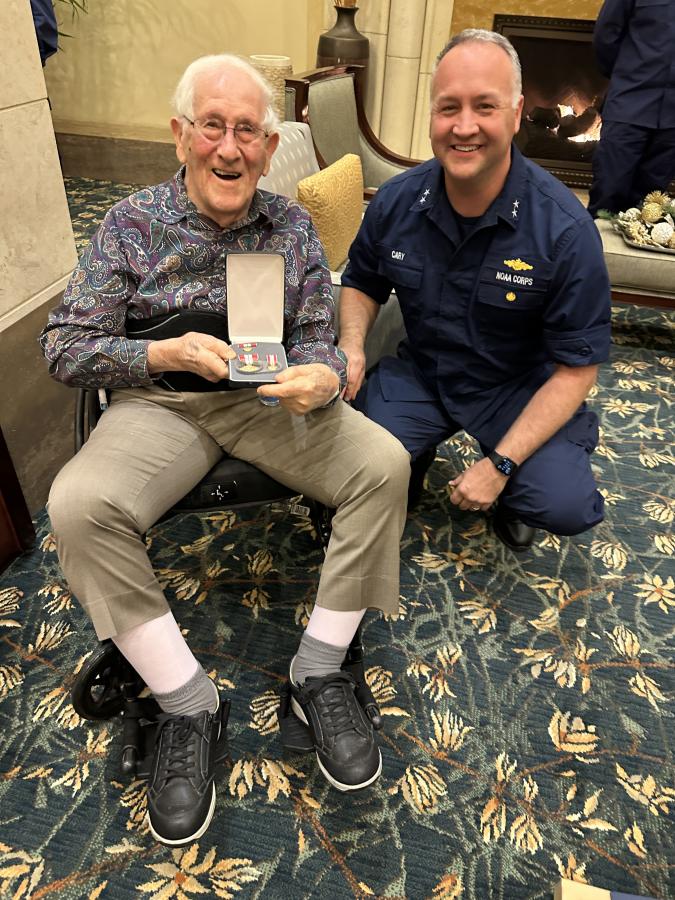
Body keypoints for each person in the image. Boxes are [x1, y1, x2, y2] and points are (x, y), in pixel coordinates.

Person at [41, 54, 410, 847]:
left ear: (269, 147)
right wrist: (163, 357)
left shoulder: (291, 227)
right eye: (212, 126)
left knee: (384, 463)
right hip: (160, 405)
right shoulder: (130, 223)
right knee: (77, 504)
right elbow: (66, 346)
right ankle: (187, 703)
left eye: (248, 130)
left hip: (265, 403)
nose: (229, 148)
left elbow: (318, 337)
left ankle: (318, 672)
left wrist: (322, 373)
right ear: (181, 133)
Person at [338, 29, 611, 552]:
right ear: (432, 117)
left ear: (516, 114)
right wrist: (351, 344)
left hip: (518, 387)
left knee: (563, 503)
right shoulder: (397, 201)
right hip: (425, 373)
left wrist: (502, 465)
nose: (464, 127)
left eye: (484, 106)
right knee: (348, 467)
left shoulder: (565, 231)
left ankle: (516, 485)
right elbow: (361, 282)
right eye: (448, 108)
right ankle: (410, 455)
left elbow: (577, 368)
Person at [588, 0, 675, 217]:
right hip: (629, 104)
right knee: (607, 193)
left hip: (672, 120)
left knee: (650, 207)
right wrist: (626, 76)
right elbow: (606, 36)